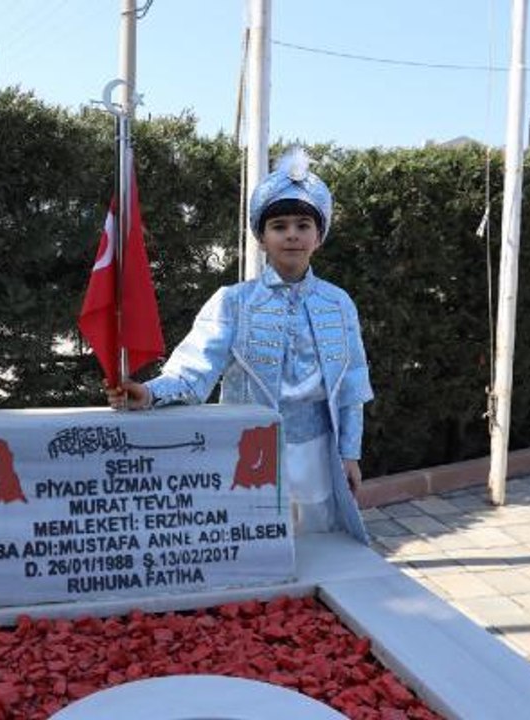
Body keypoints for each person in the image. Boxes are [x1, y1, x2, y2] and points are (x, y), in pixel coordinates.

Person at [106, 147, 373, 543]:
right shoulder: (233, 302)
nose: (292, 234)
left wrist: (349, 454)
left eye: (303, 225)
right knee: (256, 544)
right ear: (262, 238)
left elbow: (351, 386)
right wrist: (148, 393)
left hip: (319, 455)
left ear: (319, 236)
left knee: (319, 547)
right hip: (249, 453)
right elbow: (193, 371)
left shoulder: (338, 303)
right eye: (279, 226)